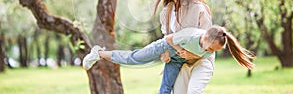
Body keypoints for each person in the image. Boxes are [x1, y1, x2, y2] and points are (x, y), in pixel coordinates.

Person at [82, 26, 255, 93]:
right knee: (135, 59)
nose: (209, 52)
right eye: (209, 48)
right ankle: (99, 53)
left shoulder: (210, 51)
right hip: (165, 47)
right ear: (205, 37)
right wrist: (179, 50)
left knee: (166, 88)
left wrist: (187, 57)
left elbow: (196, 58)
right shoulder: (192, 34)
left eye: (213, 51)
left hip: (176, 60)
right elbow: (169, 38)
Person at [153, 0, 214, 94]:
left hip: (202, 60)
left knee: (193, 92)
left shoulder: (198, 8)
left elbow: (210, 42)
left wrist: (194, 55)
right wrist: (165, 54)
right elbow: (167, 39)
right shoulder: (166, 13)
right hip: (180, 62)